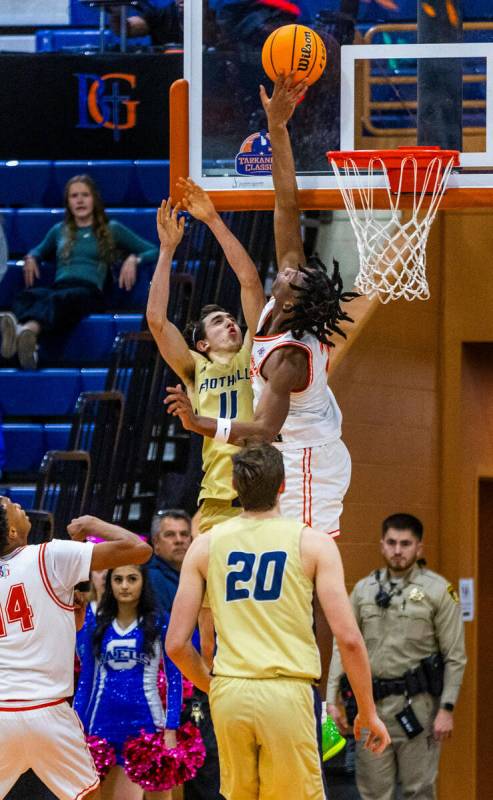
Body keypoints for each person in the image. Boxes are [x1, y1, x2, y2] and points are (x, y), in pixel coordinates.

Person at [166, 75, 358, 537]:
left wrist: (199, 423)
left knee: (307, 565)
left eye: (294, 277)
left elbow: (263, 430)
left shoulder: (290, 359)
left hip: (309, 458)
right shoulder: (283, 305)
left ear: (296, 304)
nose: (289, 269)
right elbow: (286, 203)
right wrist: (277, 126)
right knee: (289, 567)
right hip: (291, 453)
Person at [165, 442, 390, 800]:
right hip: (286, 691)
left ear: (235, 487)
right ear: (283, 485)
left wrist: (215, 687)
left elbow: (176, 644)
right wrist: (367, 711)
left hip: (230, 692)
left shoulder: (205, 545)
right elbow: (348, 638)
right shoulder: (313, 543)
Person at [0, 500, 152, 800]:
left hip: (2, 711)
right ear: (14, 531)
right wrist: (93, 525)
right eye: (8, 505)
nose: (16, 503)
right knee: (88, 796)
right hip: (47, 710)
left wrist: (72, 617)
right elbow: (139, 549)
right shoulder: (49, 555)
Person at [326, 513, 467, 800]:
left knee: (419, 792)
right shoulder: (365, 591)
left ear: (419, 548)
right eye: (391, 542)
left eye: (406, 543)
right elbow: (343, 644)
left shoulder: (438, 591)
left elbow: (455, 655)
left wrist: (447, 709)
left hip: (418, 707)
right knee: (373, 793)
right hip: (370, 707)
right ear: (382, 545)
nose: (398, 550)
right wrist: (332, 698)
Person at [147, 198, 264, 535]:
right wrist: (167, 250)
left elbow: (250, 282)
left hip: (261, 494)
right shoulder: (195, 369)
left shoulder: (253, 353)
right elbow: (156, 321)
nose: (230, 323)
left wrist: (213, 219)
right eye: (218, 322)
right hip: (216, 501)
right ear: (202, 344)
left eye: (231, 319)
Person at [0, 174, 158, 369]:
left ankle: (25, 331)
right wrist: (31, 258)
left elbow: (154, 250)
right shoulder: (60, 230)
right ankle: (26, 342)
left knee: (63, 299)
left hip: (89, 292)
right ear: (68, 202)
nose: (80, 200)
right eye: (74, 196)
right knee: (27, 297)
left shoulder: (112, 229)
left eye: (85, 195)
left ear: (95, 199)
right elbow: (39, 250)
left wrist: (134, 258)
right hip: (60, 288)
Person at [74, 564, 183, 800]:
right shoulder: (97, 623)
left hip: (147, 725)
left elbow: (175, 678)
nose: (124, 586)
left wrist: (171, 727)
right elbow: (86, 681)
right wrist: (77, 728)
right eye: (118, 579)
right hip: (102, 726)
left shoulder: (157, 621)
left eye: (132, 579)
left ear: (143, 582)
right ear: (110, 583)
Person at [148, 508, 223, 800]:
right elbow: (174, 640)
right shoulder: (150, 580)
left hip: (204, 679)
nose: (180, 541)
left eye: (184, 535)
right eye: (170, 535)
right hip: (174, 687)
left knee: (209, 766)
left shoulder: (202, 573)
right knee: (195, 770)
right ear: (155, 543)